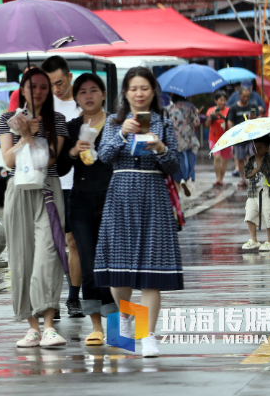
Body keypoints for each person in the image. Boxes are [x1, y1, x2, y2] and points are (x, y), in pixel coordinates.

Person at [94, 67, 182, 359]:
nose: (140, 93)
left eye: (145, 88)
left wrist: (159, 146)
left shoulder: (164, 122)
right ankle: (128, 319)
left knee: (150, 273)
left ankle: (147, 336)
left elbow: (174, 166)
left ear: (153, 91)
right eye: (134, 88)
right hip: (120, 196)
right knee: (120, 274)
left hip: (154, 197)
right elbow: (103, 156)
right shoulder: (113, 121)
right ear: (126, 92)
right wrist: (121, 134)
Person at [0, 67, 69, 348]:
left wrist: (34, 135)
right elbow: (8, 160)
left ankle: (50, 324)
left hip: (47, 191)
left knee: (48, 254)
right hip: (18, 191)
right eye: (32, 86)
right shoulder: (7, 120)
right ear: (22, 89)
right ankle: (32, 326)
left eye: (43, 86)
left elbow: (51, 159)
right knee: (22, 256)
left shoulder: (57, 120)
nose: (37, 91)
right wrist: (25, 137)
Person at [56, 73, 114, 347]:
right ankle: (96, 326)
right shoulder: (71, 127)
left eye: (94, 90)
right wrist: (71, 153)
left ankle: (118, 323)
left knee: (113, 265)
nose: (88, 96)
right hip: (80, 202)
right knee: (89, 265)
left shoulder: (116, 124)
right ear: (77, 98)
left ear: (103, 94)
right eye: (82, 92)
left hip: (112, 201)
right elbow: (60, 168)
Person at [42, 55, 83, 320]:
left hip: (79, 183)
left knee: (74, 242)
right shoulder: (45, 109)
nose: (56, 89)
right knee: (52, 244)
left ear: (69, 77)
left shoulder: (83, 105)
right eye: (50, 84)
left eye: (59, 83)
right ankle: (51, 299)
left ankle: (74, 297)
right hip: (53, 182)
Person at [242, 135, 270, 251]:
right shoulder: (251, 160)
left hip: (267, 191)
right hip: (253, 192)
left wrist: (258, 164)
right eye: (254, 148)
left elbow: (266, 170)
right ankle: (254, 239)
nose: (256, 150)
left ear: (267, 148)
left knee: (268, 216)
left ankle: (269, 241)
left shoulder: (269, 159)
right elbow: (247, 173)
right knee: (250, 214)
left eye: (259, 148)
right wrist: (255, 169)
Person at [166, 93, 200, 197]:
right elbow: (196, 122)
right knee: (191, 159)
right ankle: (187, 177)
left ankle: (179, 187)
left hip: (174, 141)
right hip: (189, 139)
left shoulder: (168, 108)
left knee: (177, 166)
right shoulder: (190, 107)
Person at [227, 88, 260, 187]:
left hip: (250, 137)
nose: (246, 98)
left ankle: (251, 177)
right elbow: (229, 121)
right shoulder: (234, 108)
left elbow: (258, 118)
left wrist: (254, 119)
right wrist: (232, 133)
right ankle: (243, 179)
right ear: (239, 96)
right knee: (240, 158)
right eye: (244, 96)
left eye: (248, 97)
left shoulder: (253, 106)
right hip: (239, 137)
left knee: (251, 157)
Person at [207, 92, 231, 187]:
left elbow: (230, 121)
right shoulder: (210, 110)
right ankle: (217, 178)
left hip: (226, 138)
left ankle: (221, 179)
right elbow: (207, 124)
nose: (223, 102)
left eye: (224, 100)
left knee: (224, 160)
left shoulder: (229, 110)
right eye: (221, 100)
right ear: (215, 101)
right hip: (214, 137)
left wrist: (221, 115)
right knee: (217, 157)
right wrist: (211, 117)